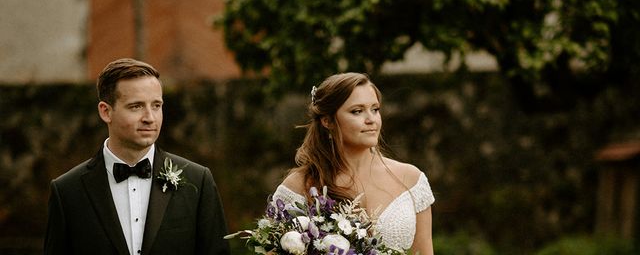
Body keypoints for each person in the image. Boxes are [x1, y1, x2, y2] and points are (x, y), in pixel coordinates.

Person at [44, 58, 230, 255]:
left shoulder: (198, 181)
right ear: (106, 112)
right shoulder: (67, 191)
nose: (150, 117)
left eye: (156, 105)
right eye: (136, 106)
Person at [273, 73, 435, 255]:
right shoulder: (299, 185)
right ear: (327, 121)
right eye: (357, 111)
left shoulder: (411, 179)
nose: (371, 119)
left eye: (375, 109)